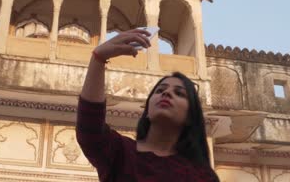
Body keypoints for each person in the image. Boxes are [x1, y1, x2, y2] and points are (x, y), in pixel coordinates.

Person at [76, 29, 220, 182]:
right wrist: (98, 58)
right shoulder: (121, 153)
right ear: (147, 111)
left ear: (190, 116)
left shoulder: (201, 176)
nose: (166, 94)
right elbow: (90, 128)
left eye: (179, 93)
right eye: (160, 90)